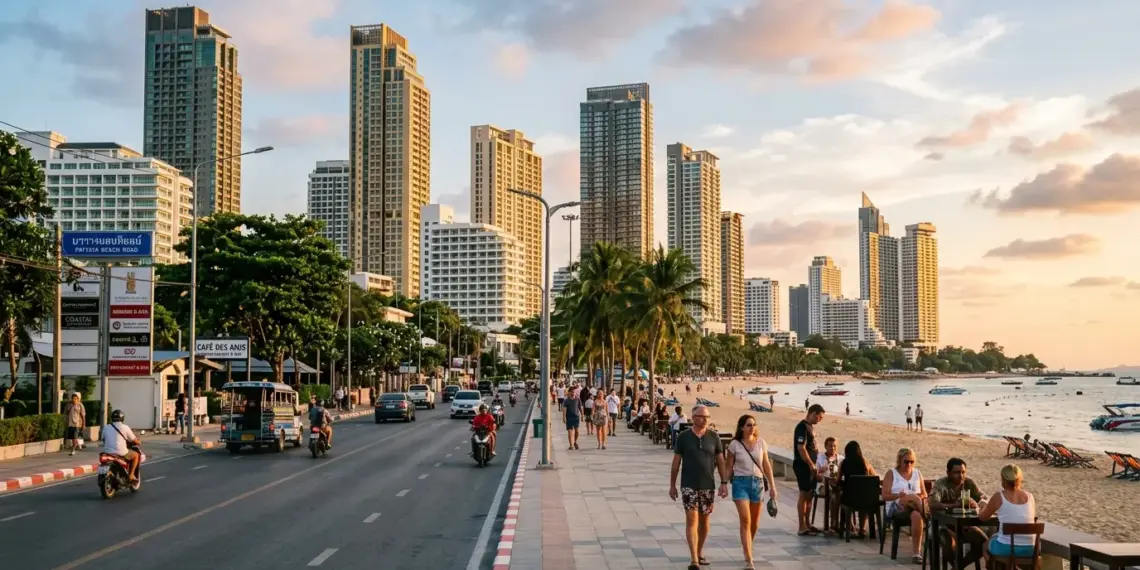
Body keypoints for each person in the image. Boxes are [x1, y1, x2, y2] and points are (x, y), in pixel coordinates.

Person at [669, 405, 730, 570]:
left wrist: (724, 483)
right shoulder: (683, 437)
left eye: (708, 417)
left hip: (708, 485)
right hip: (688, 484)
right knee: (692, 519)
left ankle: (700, 551)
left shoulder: (714, 437)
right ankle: (694, 558)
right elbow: (676, 463)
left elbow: (721, 461)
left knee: (705, 521)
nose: (706, 420)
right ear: (694, 417)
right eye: (702, 416)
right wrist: (672, 485)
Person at [725, 414, 776, 570]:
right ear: (742, 427)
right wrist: (722, 484)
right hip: (740, 483)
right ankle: (749, 558)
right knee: (745, 520)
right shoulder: (734, 444)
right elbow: (729, 467)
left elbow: (766, 465)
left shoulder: (761, 443)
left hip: (758, 483)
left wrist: (773, 486)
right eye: (748, 425)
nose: (752, 427)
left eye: (753, 424)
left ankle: (748, 545)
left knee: (754, 523)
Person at [931, 458, 987, 568]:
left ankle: (958, 567)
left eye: (963, 472)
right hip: (941, 524)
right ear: (948, 473)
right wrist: (955, 505)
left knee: (984, 541)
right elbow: (933, 504)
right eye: (956, 472)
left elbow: (983, 497)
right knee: (947, 541)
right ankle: (957, 566)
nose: (961, 475)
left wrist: (978, 503)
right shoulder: (941, 484)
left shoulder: (969, 483)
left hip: (964, 524)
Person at [978, 464, 1037, 563]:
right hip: (1031, 549)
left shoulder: (999, 496)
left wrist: (980, 508)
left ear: (1003, 480)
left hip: (1007, 548)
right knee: (996, 537)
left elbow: (983, 517)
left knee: (984, 546)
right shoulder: (1030, 497)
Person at [881, 448, 927, 564]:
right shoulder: (892, 473)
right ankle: (928, 518)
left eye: (912, 462)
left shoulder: (917, 473)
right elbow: (885, 496)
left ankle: (916, 554)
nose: (909, 464)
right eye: (906, 461)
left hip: (913, 507)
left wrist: (915, 497)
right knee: (913, 498)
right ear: (899, 460)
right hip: (895, 506)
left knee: (916, 515)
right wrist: (898, 495)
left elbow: (924, 493)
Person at [793, 404, 825, 536]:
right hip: (803, 465)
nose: (820, 420)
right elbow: (801, 448)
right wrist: (811, 464)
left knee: (810, 495)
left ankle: (807, 523)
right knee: (804, 494)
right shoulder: (802, 427)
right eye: (819, 417)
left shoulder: (810, 427)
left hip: (811, 466)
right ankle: (801, 526)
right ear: (812, 413)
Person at [834, 441, 877, 537]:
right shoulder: (865, 463)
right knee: (863, 503)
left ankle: (850, 527)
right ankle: (862, 529)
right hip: (865, 498)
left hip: (849, 498)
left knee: (840, 500)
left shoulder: (844, 463)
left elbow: (837, 481)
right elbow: (874, 477)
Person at [102, 409, 141, 483]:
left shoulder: (106, 427)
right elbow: (134, 440)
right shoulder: (125, 427)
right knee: (136, 455)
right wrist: (139, 442)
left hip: (108, 453)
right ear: (122, 418)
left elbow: (103, 440)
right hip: (121, 453)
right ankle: (131, 475)